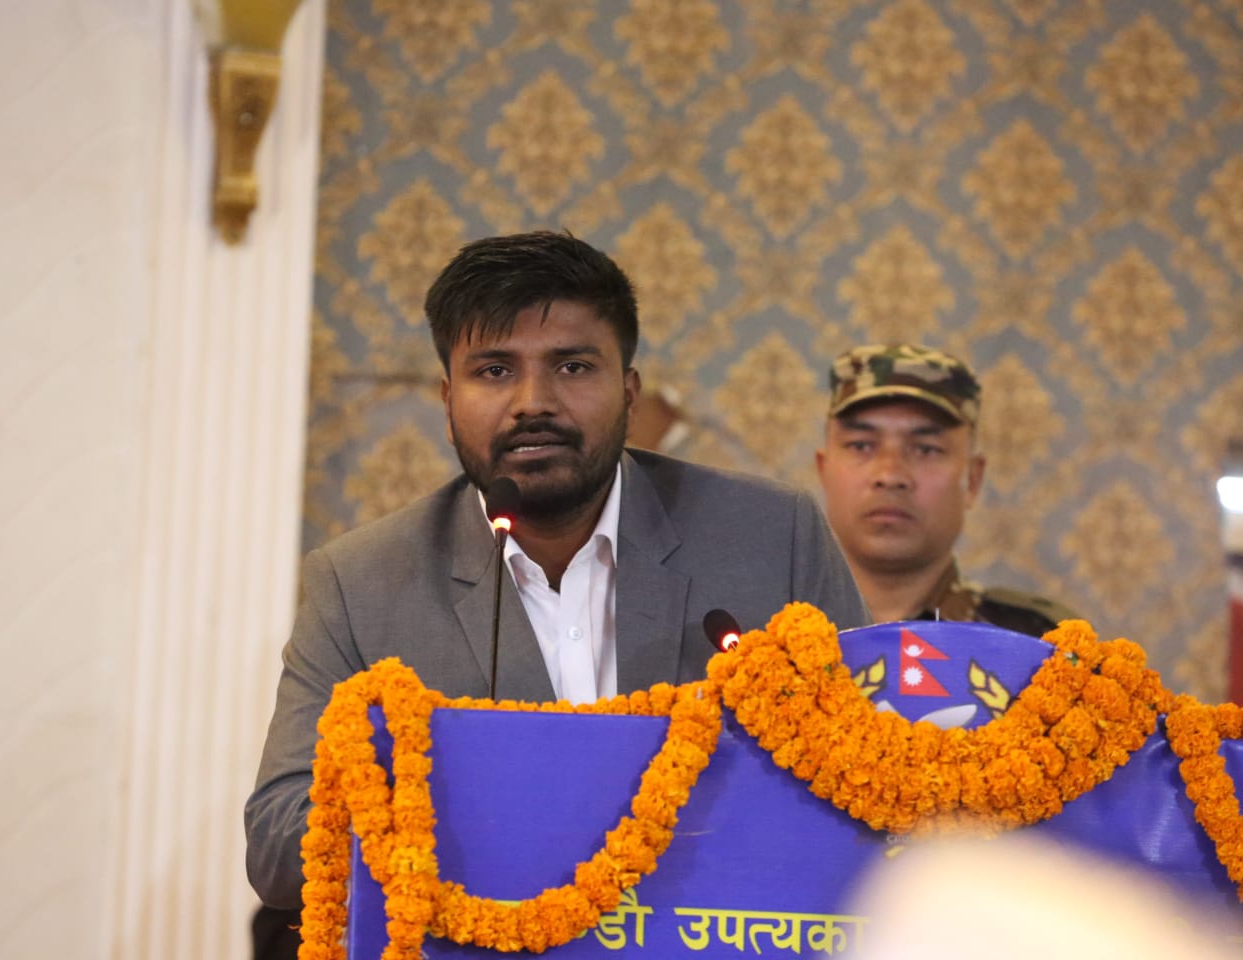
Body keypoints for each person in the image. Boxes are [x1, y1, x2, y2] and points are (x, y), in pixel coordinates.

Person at [246, 231, 869, 909]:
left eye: (572, 366)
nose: (533, 401)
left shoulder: (771, 538)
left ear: (630, 392)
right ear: (447, 402)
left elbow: (870, 779)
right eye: (494, 371)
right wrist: (457, 802)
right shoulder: (360, 585)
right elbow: (279, 844)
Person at [815, 343, 1077, 636]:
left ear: (973, 479)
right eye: (861, 445)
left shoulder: (1040, 644)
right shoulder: (776, 638)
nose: (889, 475)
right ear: (823, 470)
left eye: (926, 449)